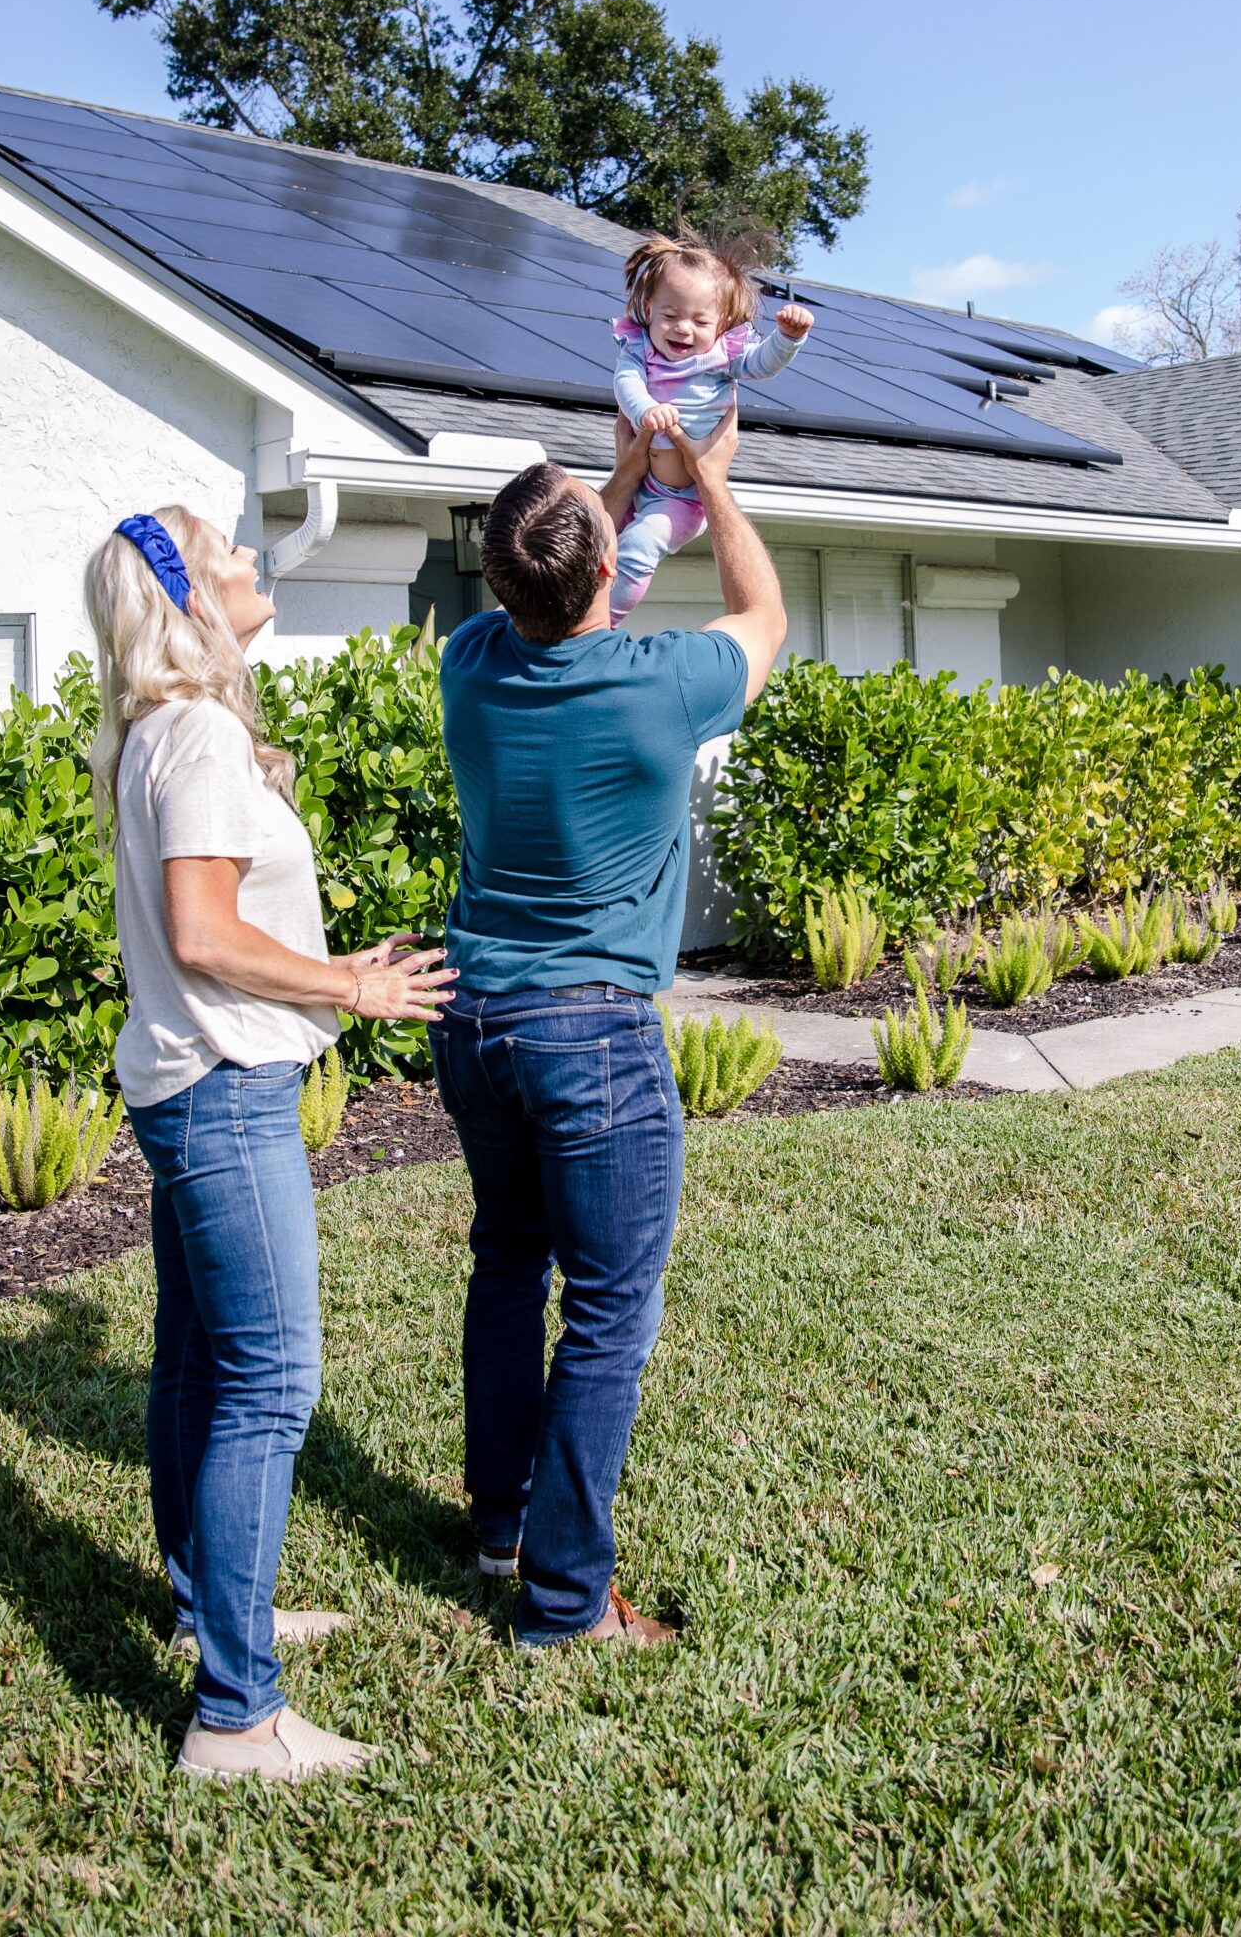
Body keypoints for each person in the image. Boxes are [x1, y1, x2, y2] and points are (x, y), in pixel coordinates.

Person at [83, 506, 453, 1782]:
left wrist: (324, 970)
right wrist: (348, 990)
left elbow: (217, 929)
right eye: (229, 550)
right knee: (270, 1383)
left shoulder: (166, 730)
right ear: (188, 596)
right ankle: (237, 1713)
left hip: (196, 1077)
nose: (254, 562)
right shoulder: (190, 733)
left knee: (196, 1364)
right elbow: (203, 932)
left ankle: (206, 1609)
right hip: (227, 1090)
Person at [435, 409, 787, 1648]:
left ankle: (498, 1521)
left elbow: (560, 582)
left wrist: (628, 480)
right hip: (592, 1036)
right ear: (604, 572)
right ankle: (567, 1601)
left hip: (473, 1023)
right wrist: (714, 489)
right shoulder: (663, 684)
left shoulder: (468, 665)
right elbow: (765, 617)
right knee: (605, 1313)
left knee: (505, 1262)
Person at [609, 235, 813, 621]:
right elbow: (626, 383)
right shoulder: (638, 348)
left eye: (701, 321)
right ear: (649, 309)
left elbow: (761, 365)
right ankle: (569, 618)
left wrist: (787, 338)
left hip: (683, 499)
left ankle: (605, 623)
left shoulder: (722, 356)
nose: (683, 329)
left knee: (637, 545)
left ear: (721, 324)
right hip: (639, 485)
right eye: (670, 316)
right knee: (591, 542)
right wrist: (645, 409)